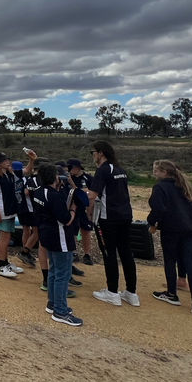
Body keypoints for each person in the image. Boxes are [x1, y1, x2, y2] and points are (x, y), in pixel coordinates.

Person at [148, 160, 192, 316]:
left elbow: (159, 208)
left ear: (164, 173)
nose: (154, 173)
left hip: (171, 228)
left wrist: (152, 222)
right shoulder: (184, 186)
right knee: (190, 261)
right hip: (190, 228)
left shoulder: (160, 187)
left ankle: (171, 294)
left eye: (156, 171)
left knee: (170, 260)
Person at [87, 140, 139, 307]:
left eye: (93, 152)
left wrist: (88, 212)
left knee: (109, 253)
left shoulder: (103, 169)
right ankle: (131, 292)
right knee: (125, 251)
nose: (92, 155)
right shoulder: (119, 168)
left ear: (100, 153)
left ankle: (112, 291)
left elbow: (92, 195)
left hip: (108, 217)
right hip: (125, 215)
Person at [32, 162, 84, 327]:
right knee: (62, 274)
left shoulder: (39, 192)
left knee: (54, 270)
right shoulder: (54, 196)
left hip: (47, 235)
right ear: (55, 177)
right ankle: (60, 311)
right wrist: (73, 208)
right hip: (60, 237)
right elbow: (66, 220)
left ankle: (53, 303)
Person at [0, 153, 23, 278]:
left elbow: (26, 171)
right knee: (4, 238)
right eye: (4, 160)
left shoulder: (10, 174)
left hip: (10, 210)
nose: (7, 161)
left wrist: (31, 159)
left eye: (7, 159)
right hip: (3, 210)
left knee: (7, 237)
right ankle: (0, 265)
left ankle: (5, 262)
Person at [66, 158, 94, 265]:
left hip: (85, 208)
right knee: (73, 231)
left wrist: (90, 211)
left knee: (86, 231)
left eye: (71, 168)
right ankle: (73, 252)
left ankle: (87, 254)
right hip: (73, 209)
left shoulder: (88, 178)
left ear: (77, 168)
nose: (69, 171)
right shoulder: (68, 178)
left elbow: (90, 195)